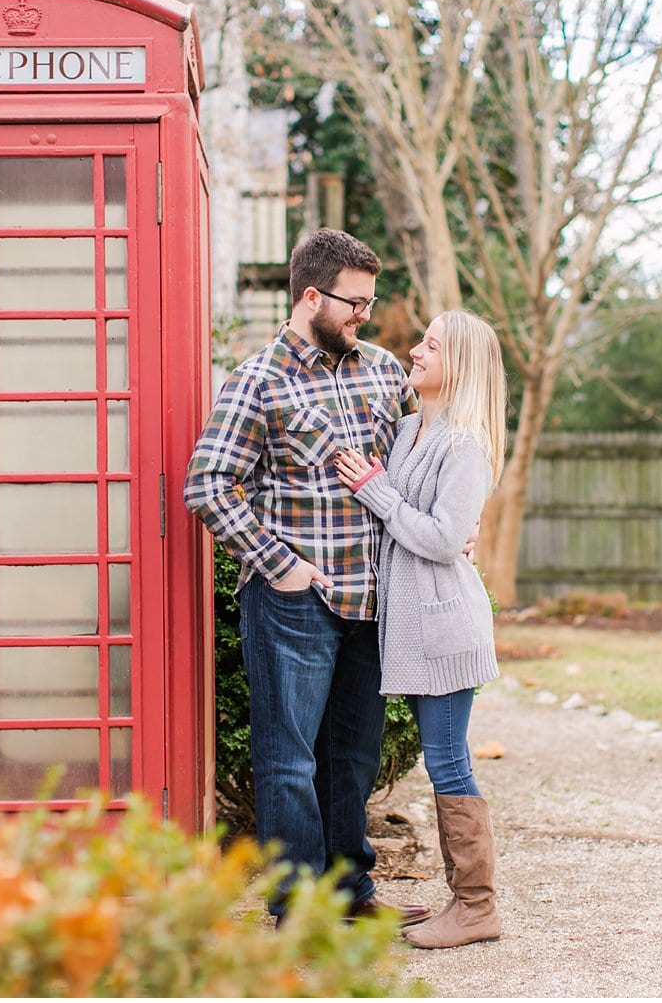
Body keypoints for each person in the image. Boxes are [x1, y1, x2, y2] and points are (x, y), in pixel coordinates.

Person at [183, 228, 430, 927]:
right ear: (311, 296)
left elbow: (419, 468)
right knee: (287, 758)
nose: (365, 315)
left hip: (373, 598)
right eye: (354, 302)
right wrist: (279, 563)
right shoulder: (258, 379)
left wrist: (450, 522)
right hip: (294, 600)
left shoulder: (383, 371)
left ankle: (351, 895)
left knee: (352, 756)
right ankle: (296, 903)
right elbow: (207, 484)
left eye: (370, 301)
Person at [334, 309, 506, 949]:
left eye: (431, 345)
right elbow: (433, 526)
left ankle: (476, 906)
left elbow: (438, 539)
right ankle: (467, 903)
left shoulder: (466, 443)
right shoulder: (407, 429)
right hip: (408, 625)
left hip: (445, 628)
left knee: (448, 764)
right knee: (441, 762)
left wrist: (377, 491)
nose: (417, 350)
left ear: (457, 364)